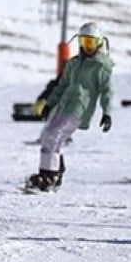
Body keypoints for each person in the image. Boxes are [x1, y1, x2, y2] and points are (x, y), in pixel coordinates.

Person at [25, 22, 114, 191]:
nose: (87, 47)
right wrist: (49, 104)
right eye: (84, 42)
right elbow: (62, 85)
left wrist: (107, 113)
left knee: (54, 136)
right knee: (47, 136)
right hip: (63, 105)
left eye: (91, 43)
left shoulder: (102, 66)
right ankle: (54, 172)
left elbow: (107, 92)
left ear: (100, 43)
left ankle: (48, 177)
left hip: (79, 108)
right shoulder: (73, 63)